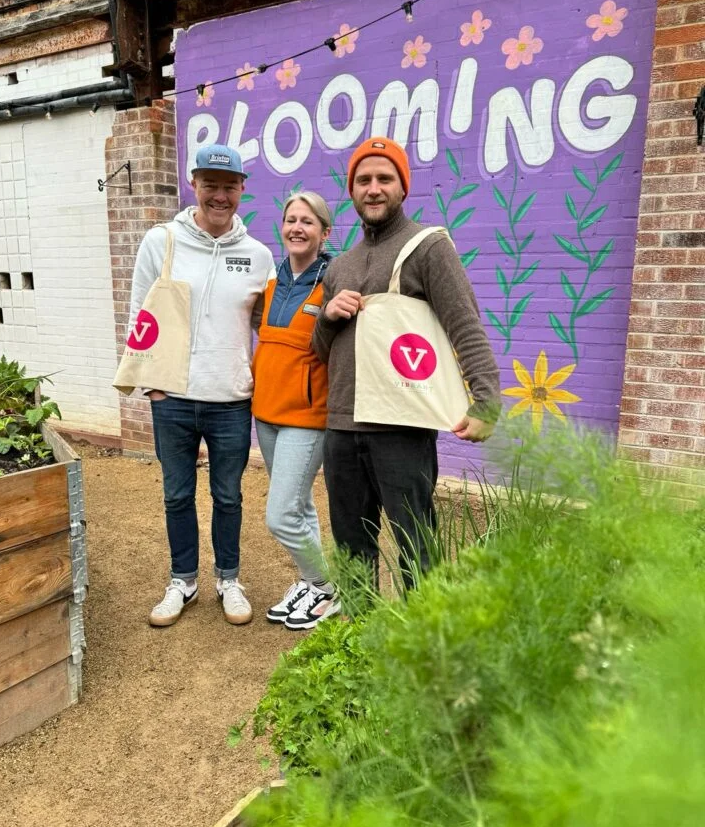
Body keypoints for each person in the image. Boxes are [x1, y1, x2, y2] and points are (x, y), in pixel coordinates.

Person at [311, 135, 500, 585]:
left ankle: (421, 644)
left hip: (401, 427)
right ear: (351, 190)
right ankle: (360, 641)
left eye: (384, 178)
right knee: (352, 549)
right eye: (363, 180)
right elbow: (320, 352)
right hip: (341, 428)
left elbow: (464, 323)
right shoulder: (338, 267)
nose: (373, 188)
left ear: (402, 187)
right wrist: (329, 318)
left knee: (417, 543)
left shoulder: (427, 247)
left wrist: (486, 400)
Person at [128, 144, 275, 628]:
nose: (219, 195)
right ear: (194, 184)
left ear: (241, 191)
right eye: (210, 184)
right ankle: (183, 581)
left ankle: (229, 579)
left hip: (230, 400)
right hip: (172, 397)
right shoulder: (161, 240)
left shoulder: (257, 255)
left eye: (229, 186)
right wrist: (152, 385)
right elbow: (141, 313)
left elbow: (271, 328)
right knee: (176, 495)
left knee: (228, 495)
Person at [251, 192, 339, 631]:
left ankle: (326, 586)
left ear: (325, 233)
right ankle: (312, 582)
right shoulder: (271, 282)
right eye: (291, 220)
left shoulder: (334, 281)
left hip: (307, 418)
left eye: (308, 221)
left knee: (281, 513)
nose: (297, 228)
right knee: (300, 506)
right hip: (266, 413)